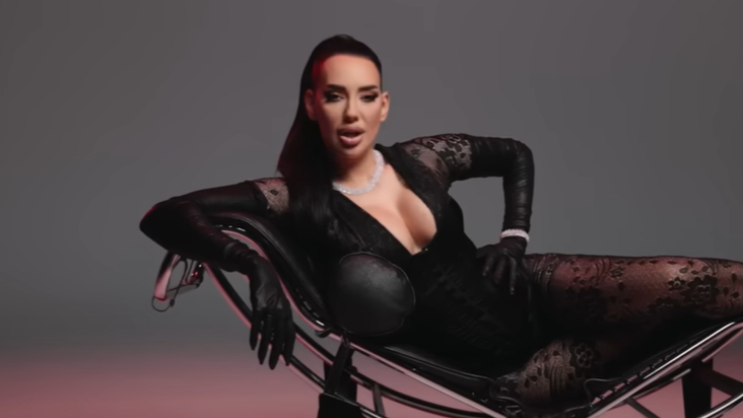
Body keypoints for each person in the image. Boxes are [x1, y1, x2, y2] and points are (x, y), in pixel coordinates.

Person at [139, 34, 743, 417]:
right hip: (506, 365)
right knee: (635, 340)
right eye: (334, 96)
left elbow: (514, 153)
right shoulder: (296, 196)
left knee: (696, 281)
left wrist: (513, 239)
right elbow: (166, 213)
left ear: (383, 105)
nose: (352, 113)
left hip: (533, 287)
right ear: (311, 103)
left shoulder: (424, 157)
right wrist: (252, 265)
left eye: (366, 95)